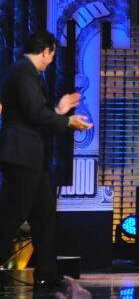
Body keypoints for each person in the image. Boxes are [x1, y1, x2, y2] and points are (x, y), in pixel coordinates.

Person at [0, 30, 92, 289]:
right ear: (46, 51)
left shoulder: (27, 74)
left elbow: (35, 115)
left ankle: (47, 274)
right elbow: (33, 114)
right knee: (10, 217)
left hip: (31, 159)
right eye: (52, 55)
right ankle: (46, 273)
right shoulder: (22, 72)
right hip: (21, 157)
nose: (51, 61)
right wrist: (66, 120)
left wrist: (60, 110)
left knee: (44, 216)